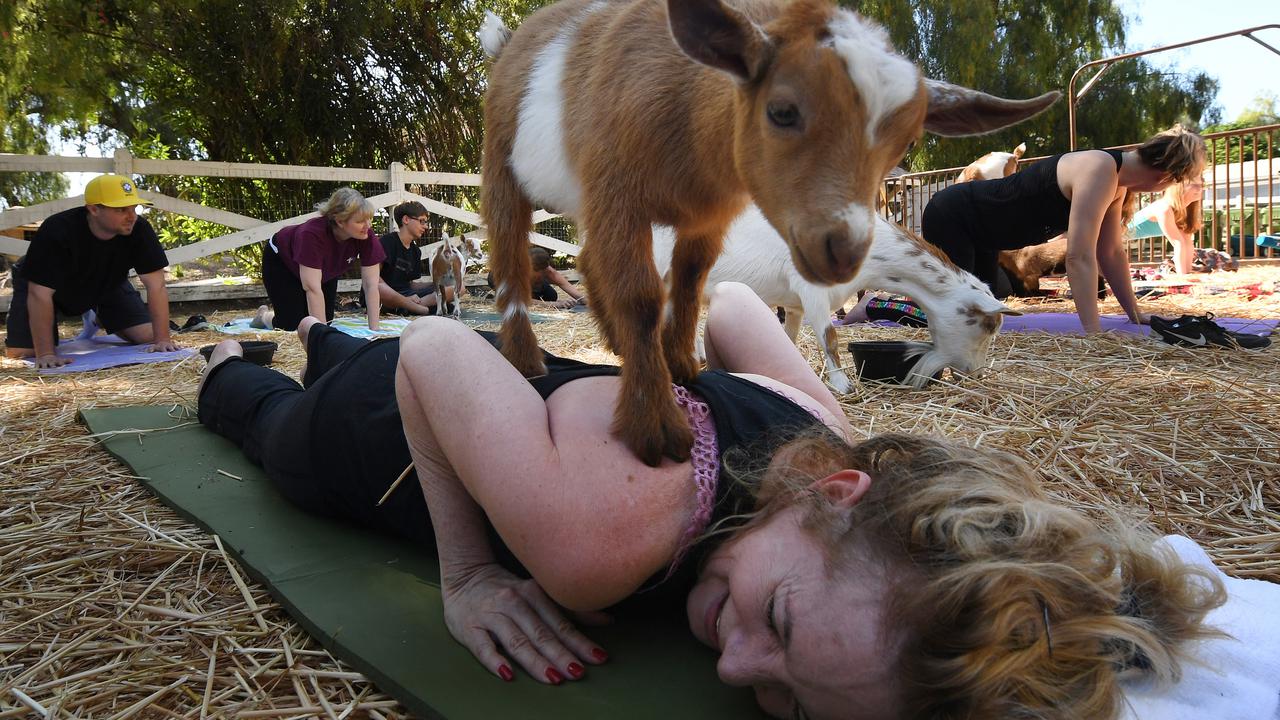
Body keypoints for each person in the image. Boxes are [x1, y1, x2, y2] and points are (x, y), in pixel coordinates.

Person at [197, 281, 1230, 719]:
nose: (735, 665)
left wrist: (644, 377)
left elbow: (733, 304)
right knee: (267, 411)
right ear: (833, 498)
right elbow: (432, 350)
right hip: (371, 436)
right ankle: (226, 362)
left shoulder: (820, 428)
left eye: (778, 702)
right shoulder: (595, 540)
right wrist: (467, 578)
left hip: (509, 399)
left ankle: (320, 339)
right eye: (775, 623)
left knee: (338, 346)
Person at [921, 125, 1206, 333]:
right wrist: (1092, 332)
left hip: (984, 234)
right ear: (1166, 176)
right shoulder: (1099, 169)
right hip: (954, 216)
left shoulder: (1117, 182)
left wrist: (1135, 313)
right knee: (956, 313)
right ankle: (889, 310)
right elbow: (1079, 257)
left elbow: (1110, 253)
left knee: (982, 315)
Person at [4, 173, 179, 368]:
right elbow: (39, 294)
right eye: (121, 209)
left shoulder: (140, 229)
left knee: (148, 336)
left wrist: (163, 339)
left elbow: (157, 286)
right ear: (94, 209)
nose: (131, 217)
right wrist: (45, 353)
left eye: (134, 208)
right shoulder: (57, 229)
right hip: (48, 286)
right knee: (23, 353)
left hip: (107, 282)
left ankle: (98, 316)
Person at [253, 187, 384, 332]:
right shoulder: (311, 234)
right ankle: (264, 316)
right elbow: (312, 288)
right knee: (293, 326)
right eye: (360, 221)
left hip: (322, 268)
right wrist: (322, 340)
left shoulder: (365, 235)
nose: (368, 225)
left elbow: (371, 285)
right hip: (283, 262)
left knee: (325, 322)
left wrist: (374, 331)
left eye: (369, 219)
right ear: (340, 221)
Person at [375, 201, 456, 315]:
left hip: (407, 295)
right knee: (378, 287)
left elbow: (410, 284)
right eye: (421, 221)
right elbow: (374, 278)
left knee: (457, 286)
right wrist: (401, 298)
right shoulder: (386, 242)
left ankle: (411, 306)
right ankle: (411, 307)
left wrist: (435, 283)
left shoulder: (415, 251)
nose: (426, 226)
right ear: (406, 220)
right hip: (385, 296)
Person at [1127, 179, 1206, 275]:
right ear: (1179, 187)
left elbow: (1187, 243)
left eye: (1201, 184)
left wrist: (1188, 273)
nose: (1200, 188)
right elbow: (1178, 243)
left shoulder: (1184, 209)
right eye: (1194, 184)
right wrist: (1183, 277)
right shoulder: (1164, 208)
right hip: (1110, 233)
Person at [487, 245, 585, 309]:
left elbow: (564, 284)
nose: (544, 274)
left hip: (528, 286)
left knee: (551, 295)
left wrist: (585, 299)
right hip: (504, 284)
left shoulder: (545, 269)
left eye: (545, 272)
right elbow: (521, 300)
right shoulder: (514, 273)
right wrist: (554, 304)